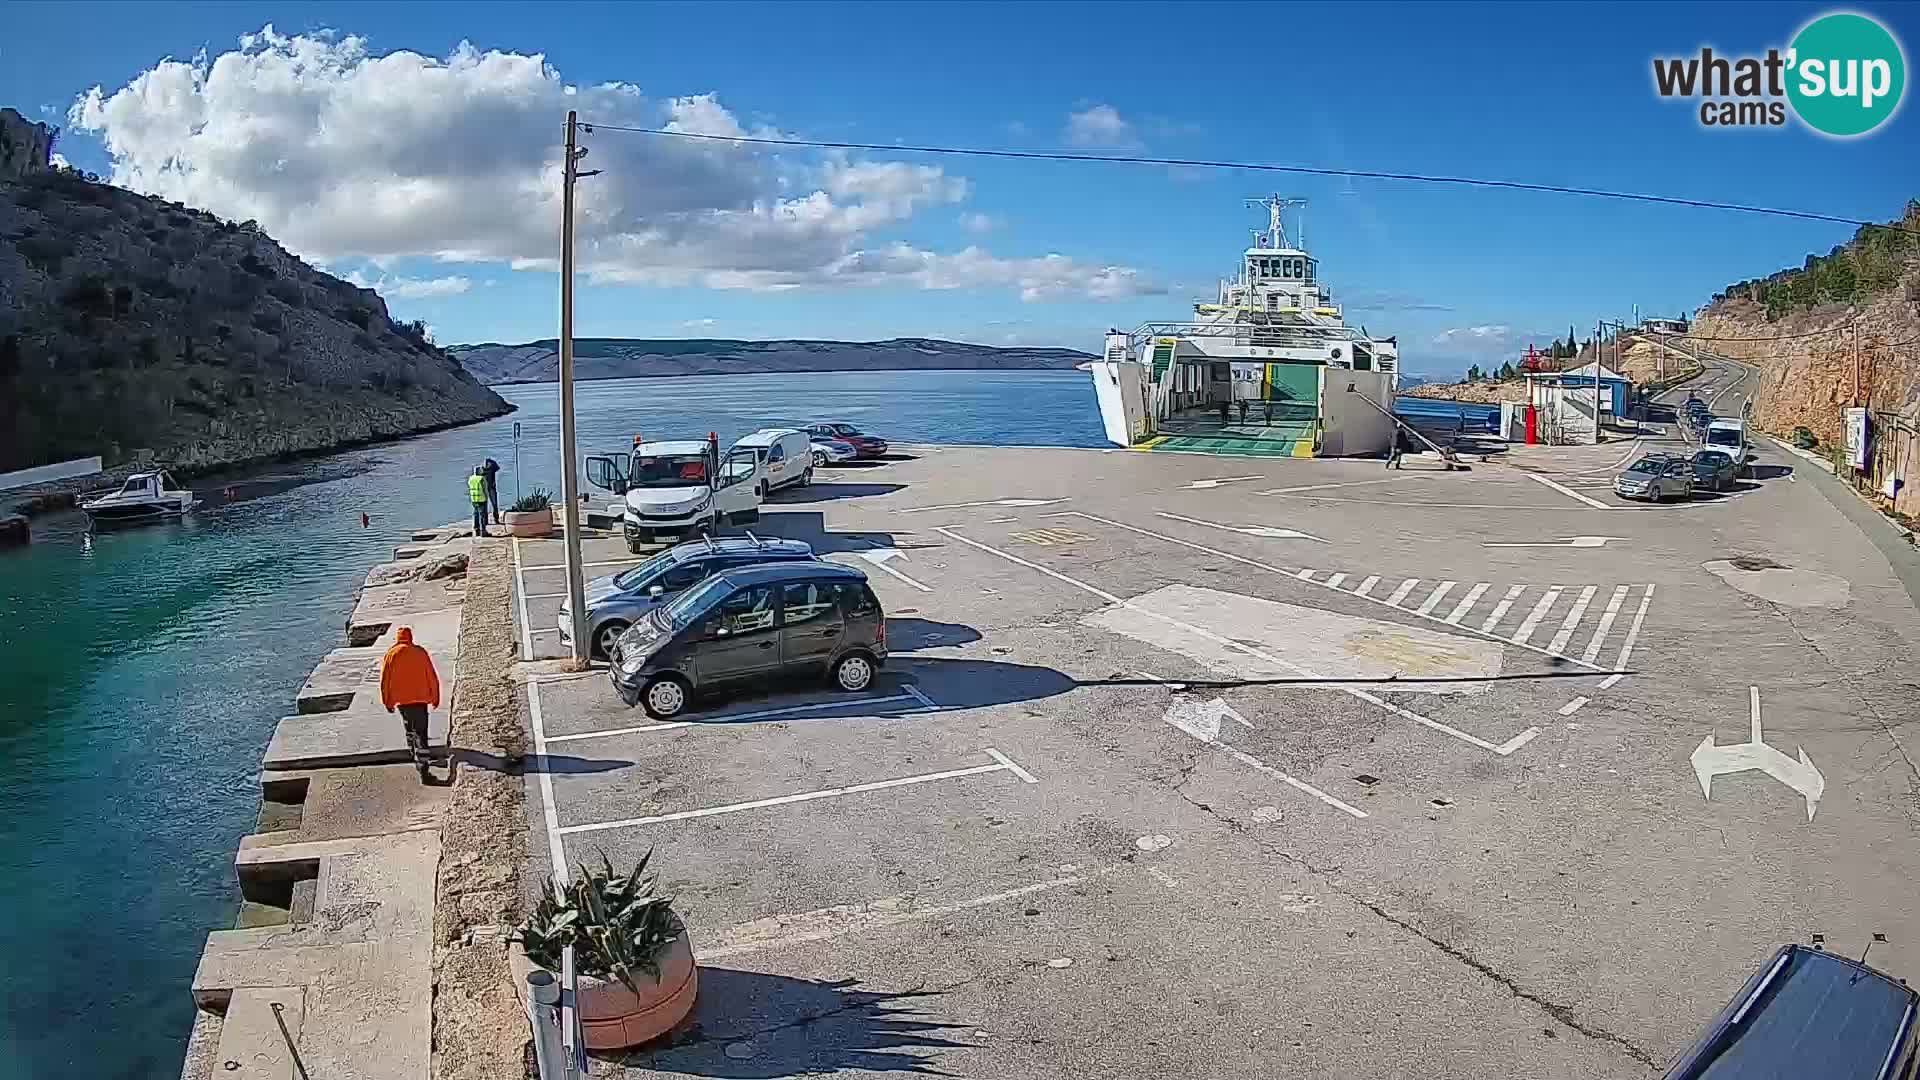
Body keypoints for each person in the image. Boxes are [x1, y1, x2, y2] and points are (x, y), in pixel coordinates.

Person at [379, 626, 441, 782]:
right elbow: (431, 676)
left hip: (402, 701)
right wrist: (435, 697)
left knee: (409, 729)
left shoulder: (391, 654)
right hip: (420, 699)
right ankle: (424, 769)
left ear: (398, 638)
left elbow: (385, 681)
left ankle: (415, 756)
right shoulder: (420, 653)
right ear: (410, 637)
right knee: (421, 733)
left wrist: (387, 701)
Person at [467, 466, 488, 537]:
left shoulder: (470, 478)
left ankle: (476, 531)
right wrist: (486, 497)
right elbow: (485, 489)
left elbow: (470, 487)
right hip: (482, 499)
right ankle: (483, 532)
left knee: (475, 514)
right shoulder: (481, 478)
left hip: (474, 499)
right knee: (482, 515)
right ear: (479, 471)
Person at [481, 458, 502, 525]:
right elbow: (498, 468)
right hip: (489, 488)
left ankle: (489, 520)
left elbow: (497, 468)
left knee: (488, 505)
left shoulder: (482, 469)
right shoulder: (491, 468)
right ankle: (492, 520)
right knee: (493, 504)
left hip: (487, 488)